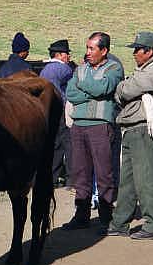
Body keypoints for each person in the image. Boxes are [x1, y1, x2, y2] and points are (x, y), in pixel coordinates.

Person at [62, 33, 124, 231]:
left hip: (100, 125)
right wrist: (92, 91)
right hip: (79, 126)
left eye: (92, 49)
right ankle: (81, 215)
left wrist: (83, 85)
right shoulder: (80, 69)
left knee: (104, 172)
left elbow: (103, 88)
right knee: (80, 173)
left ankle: (106, 217)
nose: (87, 52)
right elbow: (70, 93)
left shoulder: (114, 68)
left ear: (104, 50)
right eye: (87, 48)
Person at [108, 32, 153, 240]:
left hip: (143, 129)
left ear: (149, 51)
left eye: (137, 49)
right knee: (128, 181)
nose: (134, 53)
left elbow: (125, 91)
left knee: (146, 180)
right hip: (133, 128)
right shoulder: (146, 70)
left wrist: (123, 87)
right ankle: (119, 223)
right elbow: (125, 91)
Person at [40, 40, 74, 187]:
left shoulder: (45, 69)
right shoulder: (64, 69)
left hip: (47, 109)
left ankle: (52, 176)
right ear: (60, 55)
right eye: (66, 53)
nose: (68, 56)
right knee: (67, 143)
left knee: (54, 144)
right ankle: (72, 177)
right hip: (61, 108)